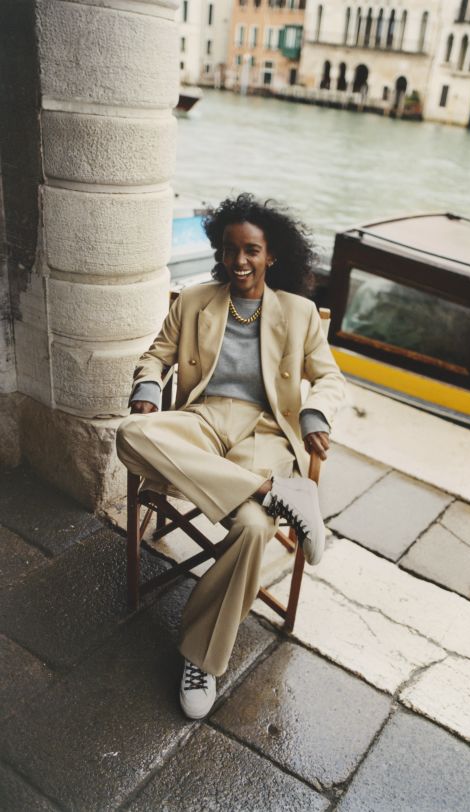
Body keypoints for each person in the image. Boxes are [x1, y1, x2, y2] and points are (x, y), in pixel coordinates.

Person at [116, 193, 346, 720]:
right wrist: (148, 387)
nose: (239, 261)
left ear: (271, 256)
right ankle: (275, 493)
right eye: (230, 250)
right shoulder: (195, 300)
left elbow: (330, 378)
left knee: (254, 528)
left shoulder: (299, 312)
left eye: (252, 251)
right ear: (219, 252)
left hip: (265, 431)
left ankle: (201, 657)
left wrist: (316, 415)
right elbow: (156, 355)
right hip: (203, 418)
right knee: (131, 433)